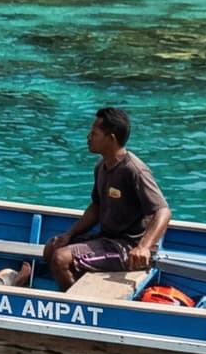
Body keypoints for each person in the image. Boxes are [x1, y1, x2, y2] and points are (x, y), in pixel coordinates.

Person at [41, 107, 172, 291]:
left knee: (60, 259)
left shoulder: (134, 170)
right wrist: (69, 235)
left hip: (126, 248)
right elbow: (96, 207)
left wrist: (143, 247)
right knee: (51, 248)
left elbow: (163, 211)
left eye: (94, 133)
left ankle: (78, 308)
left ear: (111, 138)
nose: (88, 137)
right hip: (105, 240)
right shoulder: (102, 166)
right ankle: (80, 291)